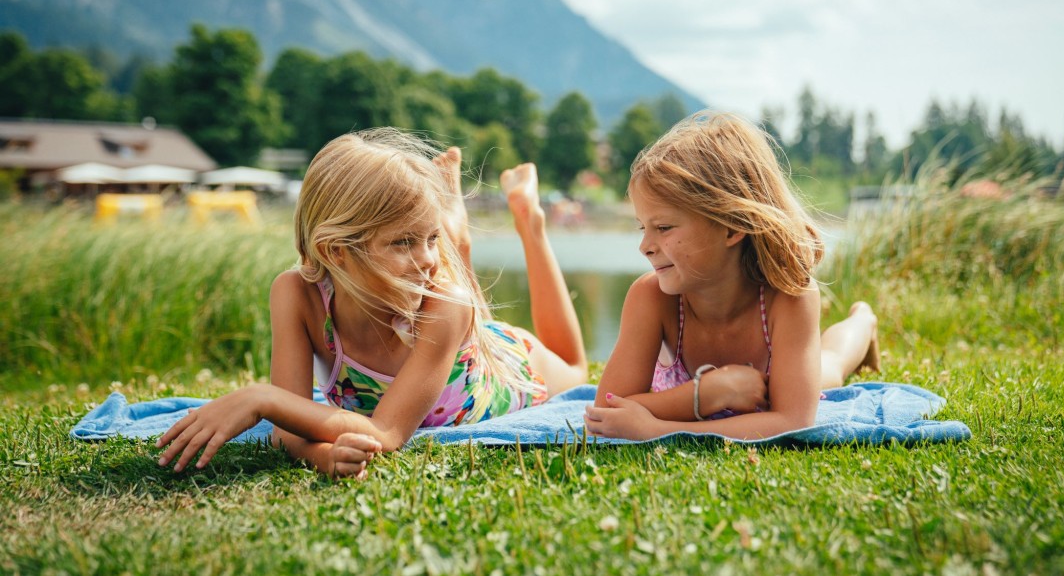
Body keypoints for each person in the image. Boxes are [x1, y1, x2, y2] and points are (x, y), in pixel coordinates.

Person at [158, 128, 588, 479]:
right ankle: (451, 228)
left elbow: (386, 431)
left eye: (430, 238)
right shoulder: (296, 294)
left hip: (502, 370)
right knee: (442, 277)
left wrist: (259, 399)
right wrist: (322, 456)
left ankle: (526, 220)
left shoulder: (446, 303)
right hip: (448, 340)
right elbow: (290, 430)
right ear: (334, 252)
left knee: (574, 367)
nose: (425, 258)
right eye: (403, 241)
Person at [584, 111, 879, 440]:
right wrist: (708, 393)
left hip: (777, 379)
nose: (645, 246)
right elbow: (607, 411)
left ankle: (863, 322)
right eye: (643, 227)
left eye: (663, 227)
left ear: (731, 228)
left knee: (831, 366)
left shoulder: (790, 296)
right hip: (720, 389)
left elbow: (792, 420)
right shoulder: (652, 297)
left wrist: (662, 428)